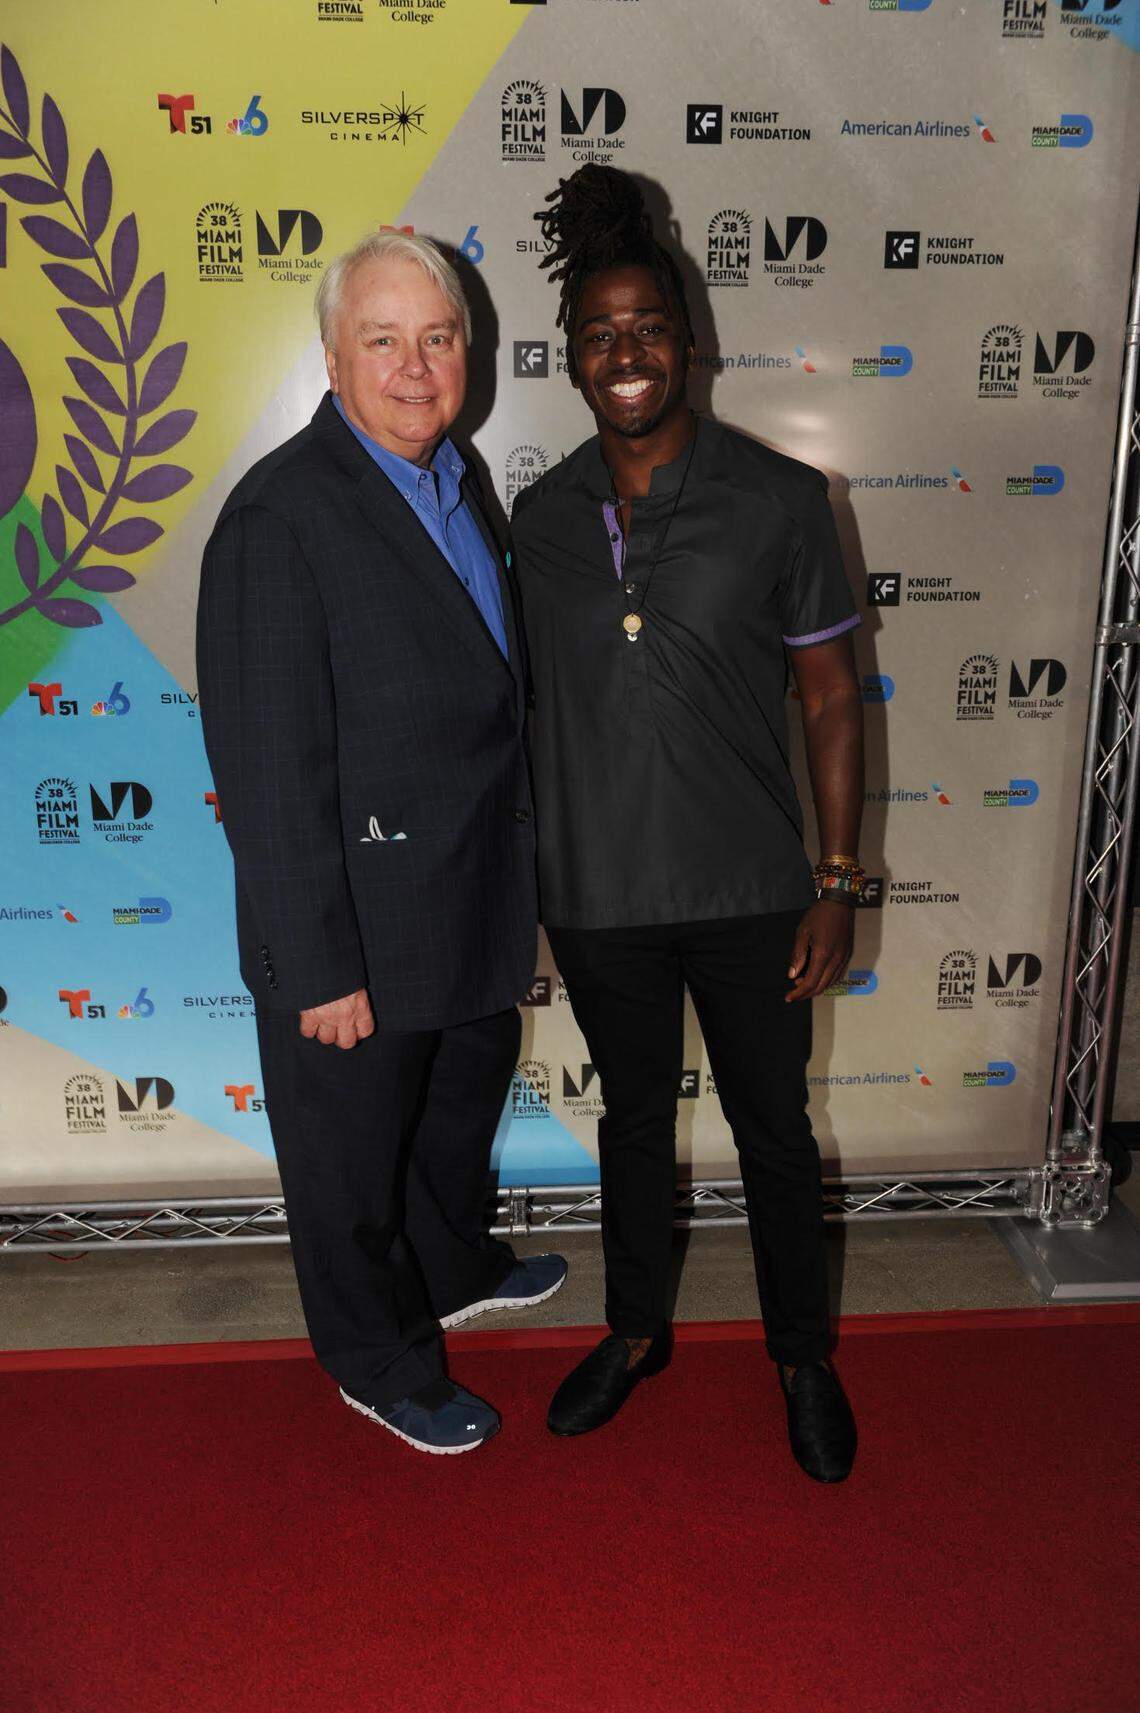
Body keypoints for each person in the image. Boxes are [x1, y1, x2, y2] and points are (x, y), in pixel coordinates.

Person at [509, 168, 863, 1482]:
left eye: (646, 326)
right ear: (574, 359)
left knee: (776, 1128)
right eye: (599, 334)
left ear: (691, 339)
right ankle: (634, 1331)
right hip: (599, 896)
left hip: (754, 890)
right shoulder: (538, 523)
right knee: (632, 1128)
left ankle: (801, 1358)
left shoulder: (779, 499)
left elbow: (830, 697)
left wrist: (836, 878)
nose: (626, 353)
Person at [197, 230, 565, 1456]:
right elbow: (266, 770)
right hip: (354, 923)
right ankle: (377, 1356)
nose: (416, 368)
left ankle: (451, 1268)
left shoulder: (460, 479)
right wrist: (319, 967)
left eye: (439, 338)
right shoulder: (281, 518)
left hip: (468, 896)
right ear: (331, 357)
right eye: (383, 340)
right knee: (349, 1166)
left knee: (453, 1117)